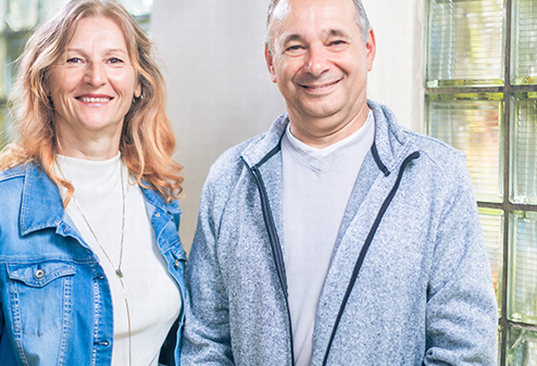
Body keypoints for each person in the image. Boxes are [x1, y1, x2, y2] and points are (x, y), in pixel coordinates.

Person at [181, 0, 498, 364]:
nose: (316, 65)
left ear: (368, 48)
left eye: (336, 42)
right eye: (295, 46)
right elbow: (205, 340)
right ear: (272, 62)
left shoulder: (437, 177)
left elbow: (465, 349)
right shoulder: (230, 179)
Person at [0, 1, 187, 365]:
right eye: (75, 60)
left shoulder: (159, 203)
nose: (96, 77)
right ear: (45, 81)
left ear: (138, 84)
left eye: (114, 60)